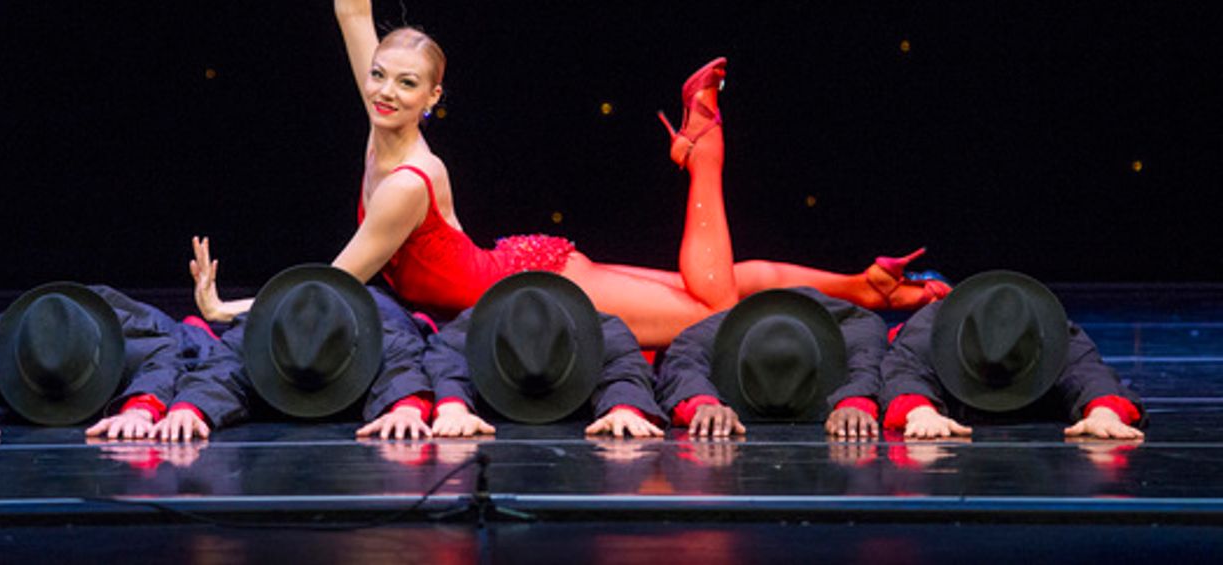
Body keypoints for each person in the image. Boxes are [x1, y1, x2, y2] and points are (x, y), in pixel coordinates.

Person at [188, 0, 949, 347]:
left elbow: (333, 280)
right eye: (380, 76)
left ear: (434, 99)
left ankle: (705, 154)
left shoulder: (408, 184)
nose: (383, 90)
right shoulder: (380, 124)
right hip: (525, 268)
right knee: (703, 291)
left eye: (405, 83)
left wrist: (230, 310)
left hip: (541, 288)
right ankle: (863, 286)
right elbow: (354, 13)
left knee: (713, 311)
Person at [150, 265, 434, 442]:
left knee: (419, 331)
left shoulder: (383, 332)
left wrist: (406, 409)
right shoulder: (257, 334)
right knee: (207, 349)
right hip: (263, 328)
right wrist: (188, 409)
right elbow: (219, 369)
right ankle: (200, 333)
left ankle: (421, 320)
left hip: (382, 309)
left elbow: (405, 366)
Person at [0, 283, 222, 443]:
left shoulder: (134, 338)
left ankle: (194, 325)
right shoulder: (10, 335)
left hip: (132, 323)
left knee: (198, 349)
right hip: (61, 317)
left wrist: (141, 409)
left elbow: (164, 357)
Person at [879, 270, 1145, 440]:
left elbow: (1089, 372)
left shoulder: (1051, 333)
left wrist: (1104, 412)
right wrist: (919, 411)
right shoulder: (929, 329)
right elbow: (902, 369)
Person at [421, 272, 664, 438]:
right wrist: (453, 406)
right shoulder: (477, 327)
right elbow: (445, 358)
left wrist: (623, 408)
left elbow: (624, 367)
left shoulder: (603, 331)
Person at [655, 288, 887, 440]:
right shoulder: (709, 332)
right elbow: (683, 360)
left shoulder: (855, 325)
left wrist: (855, 402)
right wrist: (702, 404)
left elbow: (869, 359)